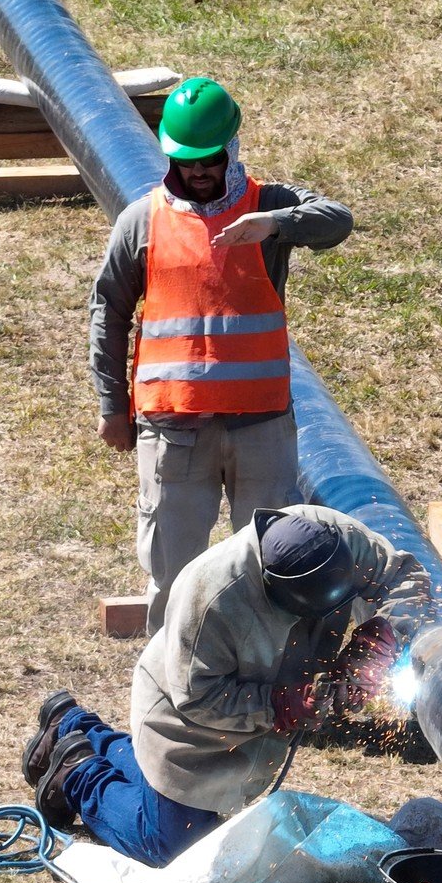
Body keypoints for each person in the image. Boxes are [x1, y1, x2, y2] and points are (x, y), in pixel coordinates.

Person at [20, 506, 430, 866]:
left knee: (202, 820)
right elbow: (199, 697)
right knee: (171, 844)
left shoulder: (336, 538)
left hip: (253, 709)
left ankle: (73, 726)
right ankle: (77, 774)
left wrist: (382, 637)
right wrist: (280, 706)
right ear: (276, 591)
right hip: (186, 714)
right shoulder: (212, 595)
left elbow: (405, 575)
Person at [89, 76, 354, 634]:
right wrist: (113, 406)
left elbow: (338, 220)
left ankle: (265, 691)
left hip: (261, 431)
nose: (198, 171)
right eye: (186, 161)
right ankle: (173, 693)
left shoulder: (268, 208)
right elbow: (107, 310)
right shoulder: (142, 221)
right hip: (174, 433)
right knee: (173, 578)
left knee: (270, 571)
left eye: (209, 158)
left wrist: (275, 224)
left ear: (231, 150)